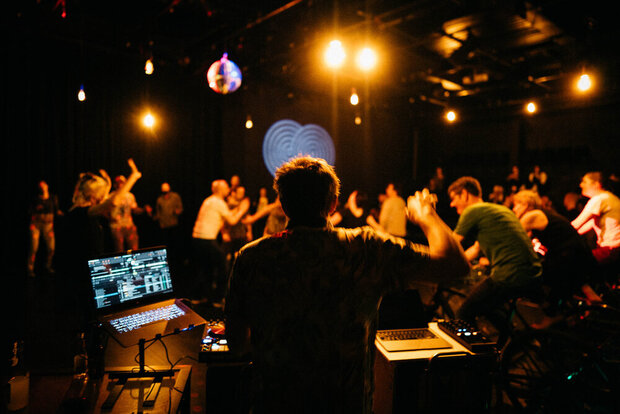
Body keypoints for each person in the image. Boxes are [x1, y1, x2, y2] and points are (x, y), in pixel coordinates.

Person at [225, 156, 468, 413]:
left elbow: (237, 343)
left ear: (283, 205)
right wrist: (426, 215)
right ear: (333, 204)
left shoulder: (251, 257)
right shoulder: (364, 248)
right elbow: (455, 265)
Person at [447, 176, 543, 332]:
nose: (451, 204)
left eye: (453, 198)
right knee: (487, 306)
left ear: (464, 194)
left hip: (510, 275)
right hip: (531, 273)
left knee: (464, 312)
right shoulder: (498, 209)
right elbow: (476, 249)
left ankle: (477, 354)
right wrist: (457, 264)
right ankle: (513, 344)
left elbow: (449, 245)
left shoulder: (473, 210)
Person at [512, 190, 599, 310]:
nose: (514, 209)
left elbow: (514, 238)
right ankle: (585, 299)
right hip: (575, 253)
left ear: (526, 204)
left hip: (568, 255)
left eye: (516, 205)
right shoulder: (541, 214)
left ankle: (552, 312)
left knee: (534, 274)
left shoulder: (532, 215)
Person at [192, 179, 248, 304]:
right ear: (220, 189)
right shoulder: (219, 203)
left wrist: (237, 209)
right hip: (207, 238)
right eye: (226, 187)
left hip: (197, 238)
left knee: (206, 267)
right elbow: (232, 221)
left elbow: (223, 216)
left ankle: (199, 296)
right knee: (223, 266)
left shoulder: (209, 200)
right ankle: (218, 299)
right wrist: (242, 210)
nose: (228, 189)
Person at [571, 172, 620, 266]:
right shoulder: (609, 197)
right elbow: (584, 227)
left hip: (612, 248)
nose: (581, 185)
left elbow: (576, 224)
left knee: (578, 263)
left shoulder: (599, 199)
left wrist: (553, 236)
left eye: (585, 182)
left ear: (596, 184)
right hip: (615, 249)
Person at [27, 180, 62, 277]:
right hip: (36, 225)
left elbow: (56, 210)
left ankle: (48, 265)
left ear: (47, 186)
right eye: (40, 186)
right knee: (34, 248)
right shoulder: (36, 199)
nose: (42, 187)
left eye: (44, 185)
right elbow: (30, 212)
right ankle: (30, 269)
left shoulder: (53, 198)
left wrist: (59, 213)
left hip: (48, 226)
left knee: (51, 248)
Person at [108, 174, 146, 252]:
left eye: (122, 182)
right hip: (116, 226)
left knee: (134, 249)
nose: (120, 184)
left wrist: (144, 210)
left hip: (129, 225)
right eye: (118, 183)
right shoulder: (111, 196)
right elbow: (104, 211)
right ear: (115, 185)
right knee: (119, 250)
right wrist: (110, 218)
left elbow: (134, 209)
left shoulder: (130, 196)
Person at [153, 182, 183, 256]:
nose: (165, 193)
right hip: (164, 225)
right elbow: (158, 213)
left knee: (175, 243)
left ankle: (177, 257)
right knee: (166, 244)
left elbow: (180, 208)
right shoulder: (159, 200)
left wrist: (177, 211)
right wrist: (152, 215)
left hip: (174, 224)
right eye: (164, 192)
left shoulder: (175, 197)